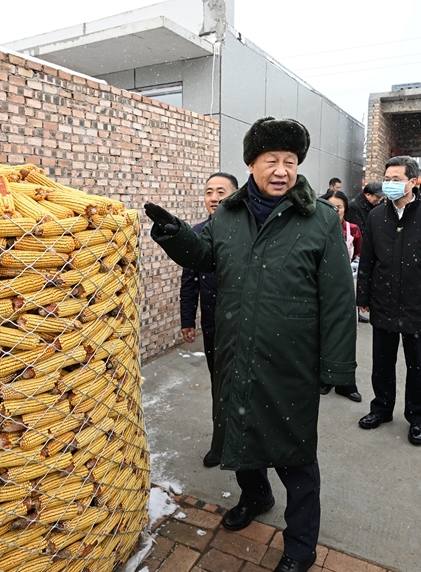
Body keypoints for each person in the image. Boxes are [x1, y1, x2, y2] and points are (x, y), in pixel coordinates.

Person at [145, 117, 357, 572]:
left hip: (291, 359)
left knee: (296, 456)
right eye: (271, 161)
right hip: (236, 349)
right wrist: (175, 233)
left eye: (290, 161)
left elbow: (339, 297)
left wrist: (337, 368)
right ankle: (255, 496)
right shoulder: (227, 214)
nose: (281, 170)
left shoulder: (320, 219)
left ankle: (301, 546)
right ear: (250, 165)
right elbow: (204, 256)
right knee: (239, 432)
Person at [355, 156, 421, 446]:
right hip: (383, 301)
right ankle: (381, 408)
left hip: (419, 305)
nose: (390, 184)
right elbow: (368, 260)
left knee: (419, 367)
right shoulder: (376, 216)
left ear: (413, 182)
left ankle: (417, 418)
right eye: (387, 179)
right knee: (382, 363)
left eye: (396, 179)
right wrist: (363, 295)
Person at [180, 171, 238, 468]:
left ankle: (247, 442)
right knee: (219, 385)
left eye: (221, 192)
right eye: (208, 192)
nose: (214, 198)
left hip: (246, 324)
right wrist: (187, 319)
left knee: (245, 386)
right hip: (214, 325)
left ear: (235, 195)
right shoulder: (197, 233)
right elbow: (189, 282)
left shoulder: (248, 232)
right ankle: (221, 442)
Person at [318, 189, 362, 403]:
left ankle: (345, 381)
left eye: (339, 207)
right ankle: (325, 377)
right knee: (322, 332)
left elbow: (360, 255)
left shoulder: (352, 230)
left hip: (345, 289)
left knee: (345, 333)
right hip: (319, 288)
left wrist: (349, 271)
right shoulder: (315, 228)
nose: (335, 211)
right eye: (330, 207)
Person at [346, 182, 385, 323]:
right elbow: (360, 230)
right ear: (367, 195)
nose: (378, 200)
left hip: (367, 247)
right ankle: (355, 310)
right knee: (355, 281)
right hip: (358, 249)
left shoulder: (372, 206)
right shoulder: (355, 207)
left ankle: (358, 310)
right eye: (376, 197)